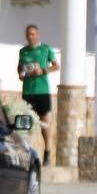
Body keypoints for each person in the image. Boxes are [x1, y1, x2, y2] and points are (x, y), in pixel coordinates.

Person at [17, 24, 60, 165]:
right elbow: (20, 68)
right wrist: (21, 74)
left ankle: (47, 152)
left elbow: (56, 66)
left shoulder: (46, 49)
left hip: (42, 91)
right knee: (25, 124)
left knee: (44, 123)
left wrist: (43, 71)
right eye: (28, 34)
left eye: (33, 34)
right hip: (27, 91)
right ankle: (27, 153)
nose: (30, 37)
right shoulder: (23, 51)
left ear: (38, 35)